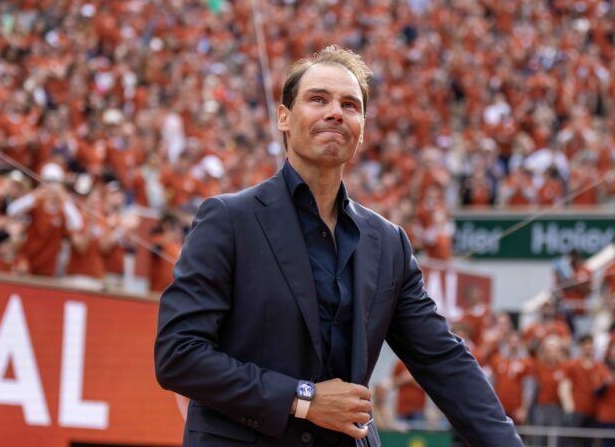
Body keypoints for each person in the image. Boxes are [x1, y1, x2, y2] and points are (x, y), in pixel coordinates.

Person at [155, 46, 522, 446]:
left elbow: (444, 361)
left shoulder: (388, 243)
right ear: (284, 117)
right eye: (318, 99)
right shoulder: (228, 220)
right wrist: (303, 399)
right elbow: (179, 355)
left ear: (361, 128)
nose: (335, 112)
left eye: (350, 105)